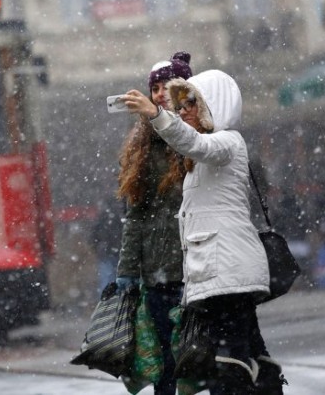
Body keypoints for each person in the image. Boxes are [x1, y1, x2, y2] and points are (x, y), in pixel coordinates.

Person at [122, 70, 287, 394]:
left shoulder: (226, 142)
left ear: (212, 105)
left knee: (227, 362)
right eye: (180, 105)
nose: (183, 111)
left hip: (227, 271)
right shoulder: (205, 154)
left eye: (190, 103)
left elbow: (194, 142)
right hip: (218, 272)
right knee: (244, 354)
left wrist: (155, 113)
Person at [115, 51, 192, 395]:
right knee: (166, 365)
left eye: (168, 87)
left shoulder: (199, 137)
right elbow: (135, 217)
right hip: (160, 272)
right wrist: (127, 272)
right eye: (155, 88)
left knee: (204, 359)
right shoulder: (142, 146)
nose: (160, 94)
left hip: (197, 267)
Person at [90, 200, 124, 293]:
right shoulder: (119, 218)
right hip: (117, 252)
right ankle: (117, 295)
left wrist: (97, 247)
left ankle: (106, 297)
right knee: (118, 277)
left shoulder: (102, 219)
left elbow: (93, 236)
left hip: (105, 253)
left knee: (106, 278)